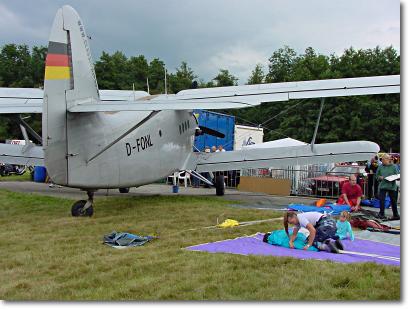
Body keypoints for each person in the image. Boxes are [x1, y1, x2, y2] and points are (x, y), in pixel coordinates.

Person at [376, 154, 400, 220]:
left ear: (387, 159)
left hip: (391, 186)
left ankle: (396, 215)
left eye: (383, 159)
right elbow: (377, 175)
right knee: (381, 200)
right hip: (383, 186)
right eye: (382, 159)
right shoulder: (380, 167)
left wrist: (395, 178)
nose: (382, 161)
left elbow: (398, 176)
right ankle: (381, 214)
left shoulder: (394, 167)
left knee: (393, 201)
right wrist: (379, 177)